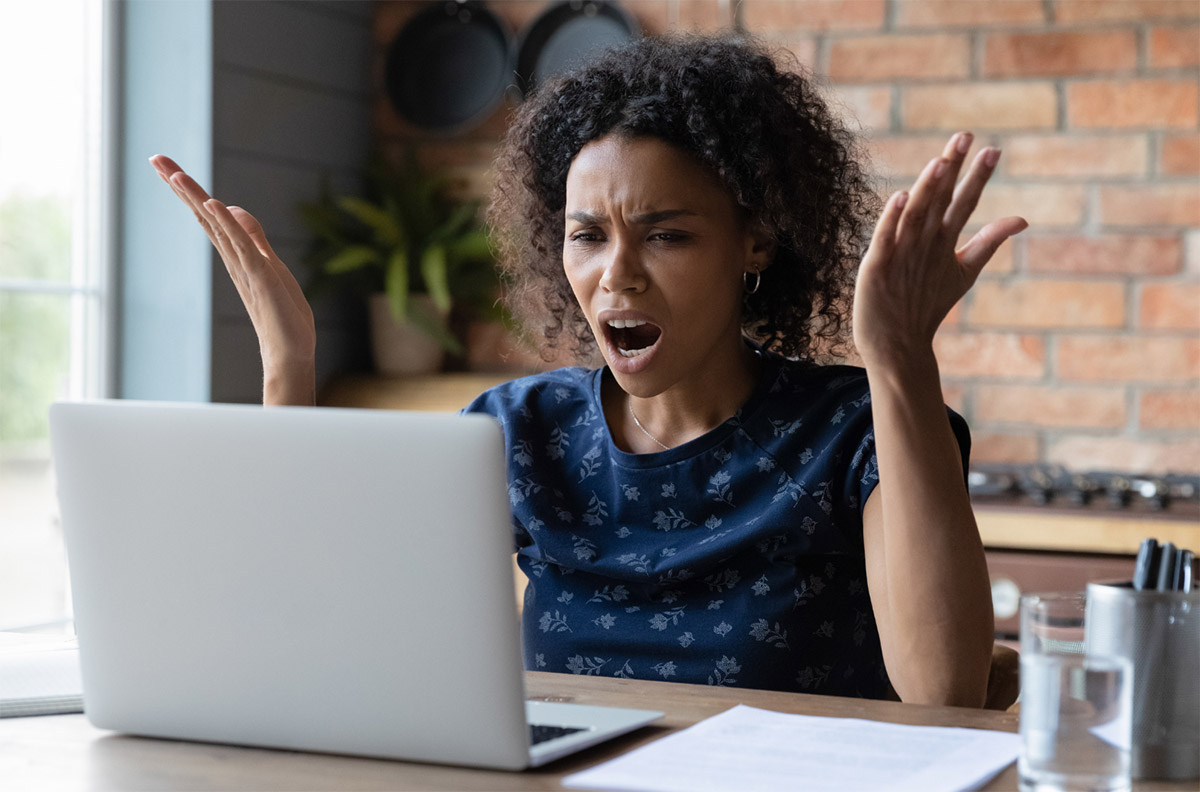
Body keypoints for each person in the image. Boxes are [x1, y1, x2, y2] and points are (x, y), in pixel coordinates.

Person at [151, 34, 1026, 707]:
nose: (618, 274)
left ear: (754, 241)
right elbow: (336, 631)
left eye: (667, 234)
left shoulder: (856, 428)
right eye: (588, 235)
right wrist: (288, 366)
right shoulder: (521, 430)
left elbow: (944, 692)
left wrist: (901, 357)